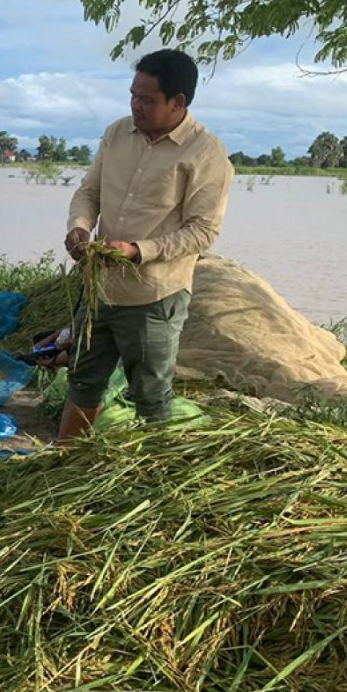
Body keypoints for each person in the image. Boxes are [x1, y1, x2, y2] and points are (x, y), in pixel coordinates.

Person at [58, 49, 233, 440]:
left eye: (147, 99)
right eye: (133, 95)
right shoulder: (117, 133)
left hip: (155, 296)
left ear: (178, 102)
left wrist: (137, 251)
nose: (136, 105)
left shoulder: (206, 153)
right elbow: (89, 192)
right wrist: (80, 228)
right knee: (83, 380)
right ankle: (61, 461)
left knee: (151, 397)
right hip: (99, 287)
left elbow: (203, 231)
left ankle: (152, 483)